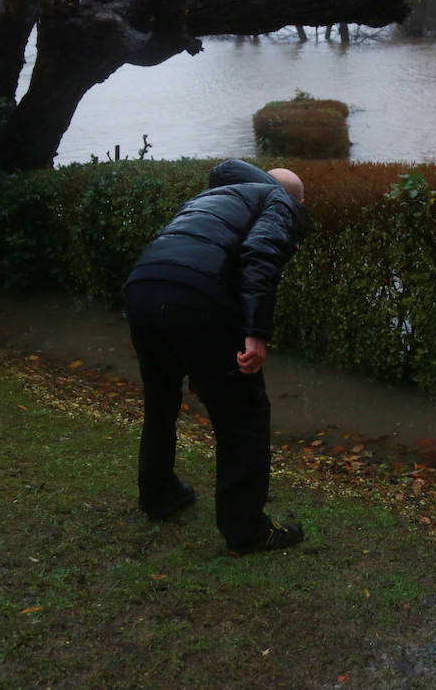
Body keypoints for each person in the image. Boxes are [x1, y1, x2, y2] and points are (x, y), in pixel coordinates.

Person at [124, 159, 309, 554]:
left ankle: (159, 495)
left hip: (142, 286)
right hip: (195, 293)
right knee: (244, 412)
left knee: (160, 400)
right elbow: (260, 255)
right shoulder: (281, 202)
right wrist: (255, 333)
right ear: (299, 201)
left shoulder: (217, 196)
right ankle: (247, 530)